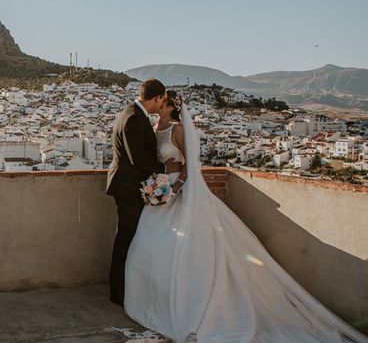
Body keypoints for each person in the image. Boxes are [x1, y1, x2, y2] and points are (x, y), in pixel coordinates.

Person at [124, 91, 368, 343]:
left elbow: (190, 166)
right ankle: (152, 304)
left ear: (169, 105)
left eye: (162, 102)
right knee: (149, 248)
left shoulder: (179, 129)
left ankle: (193, 307)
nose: (158, 104)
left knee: (189, 251)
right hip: (161, 190)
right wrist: (160, 182)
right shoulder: (155, 126)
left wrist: (177, 186)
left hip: (180, 192)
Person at [107, 79, 182, 307]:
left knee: (129, 237)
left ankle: (124, 289)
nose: (161, 105)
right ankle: (119, 292)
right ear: (157, 98)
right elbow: (136, 158)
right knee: (126, 238)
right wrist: (164, 169)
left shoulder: (132, 114)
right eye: (161, 100)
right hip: (129, 187)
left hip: (131, 185)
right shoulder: (133, 119)